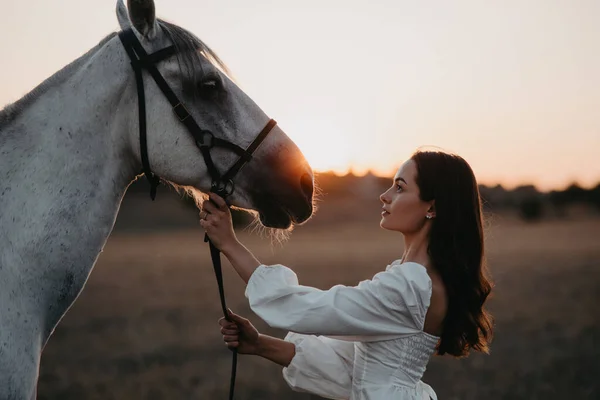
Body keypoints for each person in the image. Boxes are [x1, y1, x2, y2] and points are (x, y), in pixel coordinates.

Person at [200, 149, 494, 400]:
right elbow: (350, 369)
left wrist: (229, 244)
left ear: (432, 206)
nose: (385, 195)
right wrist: (260, 344)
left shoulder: (411, 288)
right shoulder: (416, 281)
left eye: (400, 187)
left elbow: (309, 308)